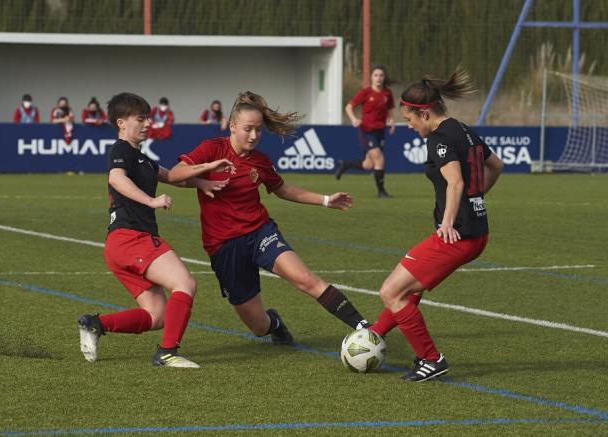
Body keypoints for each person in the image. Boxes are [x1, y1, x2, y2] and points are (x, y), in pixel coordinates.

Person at [168, 91, 370, 346]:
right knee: (258, 326)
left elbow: (283, 189)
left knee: (305, 279)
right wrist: (204, 172)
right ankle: (275, 323)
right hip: (223, 245)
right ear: (232, 126)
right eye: (248, 129)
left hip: (259, 232)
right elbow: (175, 174)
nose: (254, 136)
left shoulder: (261, 161)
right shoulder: (211, 148)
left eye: (259, 130)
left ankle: (367, 328)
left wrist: (327, 200)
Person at [367, 66, 503, 381]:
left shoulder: (439, 138)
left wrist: (448, 221)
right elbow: (496, 165)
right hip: (476, 232)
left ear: (425, 113)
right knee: (409, 288)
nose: (410, 126)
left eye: (410, 120)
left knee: (391, 291)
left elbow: (454, 182)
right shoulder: (464, 129)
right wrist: (476, 198)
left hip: (458, 235)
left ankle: (431, 359)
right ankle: (375, 333)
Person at [77, 92, 230, 368]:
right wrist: (152, 200)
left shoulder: (141, 158)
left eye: (149, 118)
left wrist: (204, 178)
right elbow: (116, 178)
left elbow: (171, 176)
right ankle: (167, 353)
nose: (148, 123)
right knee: (185, 283)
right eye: (141, 118)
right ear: (121, 123)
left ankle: (95, 324)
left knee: (157, 315)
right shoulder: (121, 151)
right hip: (131, 238)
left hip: (121, 244)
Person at [336, 65, 396, 198]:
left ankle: (345, 164)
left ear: (384, 77)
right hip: (367, 131)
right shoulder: (366, 92)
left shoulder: (387, 93)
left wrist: (391, 122)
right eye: (376, 75)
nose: (378, 78)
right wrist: (353, 119)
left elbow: (389, 110)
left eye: (381, 75)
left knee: (368, 165)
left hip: (380, 131)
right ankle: (381, 192)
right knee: (380, 159)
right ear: (371, 77)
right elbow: (349, 107)